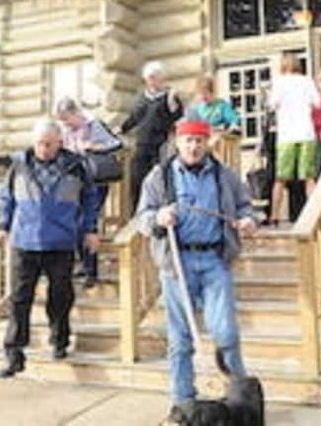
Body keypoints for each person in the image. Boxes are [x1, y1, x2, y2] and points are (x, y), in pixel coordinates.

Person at [137, 118, 258, 423]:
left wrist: (247, 220)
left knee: (226, 333)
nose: (193, 147)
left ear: (207, 143)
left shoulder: (223, 175)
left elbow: (245, 206)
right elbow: (142, 218)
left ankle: (240, 400)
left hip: (215, 260)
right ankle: (183, 405)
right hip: (177, 264)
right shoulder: (160, 177)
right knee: (180, 340)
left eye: (199, 141)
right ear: (177, 142)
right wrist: (158, 217)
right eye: (188, 141)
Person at [0, 118, 102, 378]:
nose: (43, 149)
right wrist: (3, 225)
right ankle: (14, 354)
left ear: (59, 143)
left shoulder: (76, 167)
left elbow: (90, 199)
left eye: (49, 144)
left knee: (60, 296)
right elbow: (7, 197)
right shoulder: (19, 165)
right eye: (39, 143)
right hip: (25, 240)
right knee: (19, 299)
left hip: (61, 240)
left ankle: (60, 341)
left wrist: (90, 229)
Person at [56, 96, 123, 289]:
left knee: (87, 223)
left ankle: (91, 271)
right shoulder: (65, 132)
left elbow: (117, 144)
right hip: (75, 182)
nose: (66, 124)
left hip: (96, 181)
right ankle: (84, 266)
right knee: (74, 222)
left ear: (76, 113)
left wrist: (94, 147)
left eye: (67, 119)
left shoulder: (94, 125)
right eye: (62, 120)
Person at [120, 60, 183, 215]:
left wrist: (174, 104)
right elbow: (135, 118)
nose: (152, 81)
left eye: (155, 77)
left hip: (160, 145)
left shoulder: (169, 96)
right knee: (137, 179)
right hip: (141, 145)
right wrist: (121, 128)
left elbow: (177, 115)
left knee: (159, 179)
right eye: (149, 78)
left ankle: (160, 211)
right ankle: (137, 213)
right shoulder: (143, 98)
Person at [268, 51, 320, 225]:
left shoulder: (279, 82)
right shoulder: (307, 81)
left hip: (286, 135)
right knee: (309, 178)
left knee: (281, 178)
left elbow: (271, 104)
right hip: (306, 133)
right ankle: (315, 214)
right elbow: (317, 103)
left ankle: (274, 215)